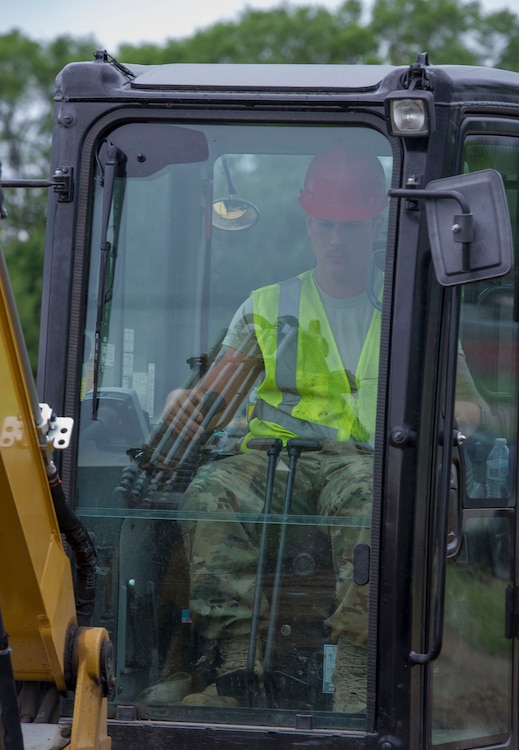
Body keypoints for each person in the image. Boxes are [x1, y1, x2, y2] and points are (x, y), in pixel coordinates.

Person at [158, 145, 488, 712]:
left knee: (371, 500)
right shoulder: (267, 305)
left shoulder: (414, 307)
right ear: (309, 222)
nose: (337, 240)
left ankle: (359, 670)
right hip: (273, 461)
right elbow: (213, 397)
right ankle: (238, 662)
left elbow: (469, 406)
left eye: (351, 227)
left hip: (369, 459)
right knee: (211, 493)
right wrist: (182, 401)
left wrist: (441, 413)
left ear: (375, 225)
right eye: (326, 225)